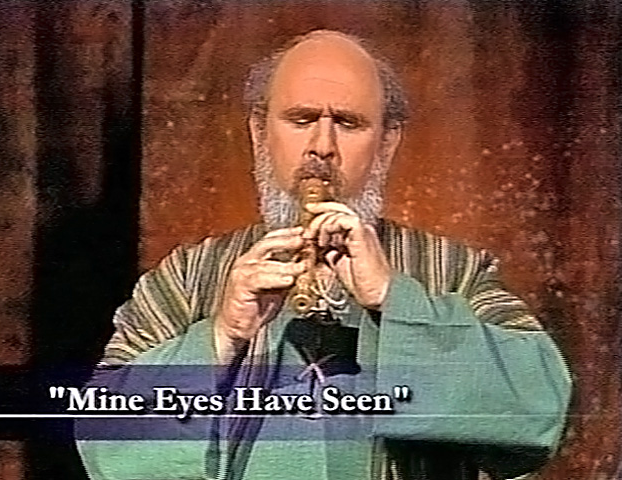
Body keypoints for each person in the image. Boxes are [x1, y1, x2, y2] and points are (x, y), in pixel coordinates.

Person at [76, 30, 571, 480]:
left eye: (349, 123)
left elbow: (541, 410)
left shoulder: (454, 273)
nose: (322, 146)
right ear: (259, 131)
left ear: (387, 142)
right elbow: (102, 443)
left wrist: (393, 299)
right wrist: (222, 336)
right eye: (302, 119)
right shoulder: (187, 277)